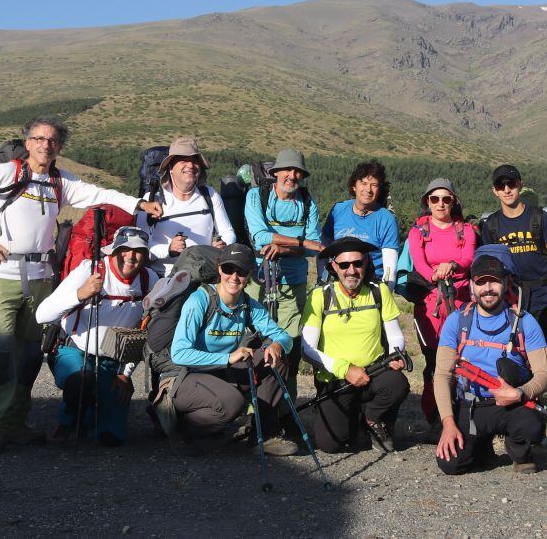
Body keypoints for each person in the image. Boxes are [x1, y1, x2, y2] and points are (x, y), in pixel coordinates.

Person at [0, 116, 163, 455]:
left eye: (53, 140)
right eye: (40, 138)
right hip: (2, 273)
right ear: (28, 142)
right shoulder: (7, 173)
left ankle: (16, 423)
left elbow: (99, 193)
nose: (46, 144)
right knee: (1, 352)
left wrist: (138, 205)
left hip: (41, 275)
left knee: (29, 354)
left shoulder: (61, 182)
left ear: (59, 147)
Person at [169, 243, 299, 456]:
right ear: (219, 269)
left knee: (278, 361)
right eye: (229, 269)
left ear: (249, 274)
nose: (234, 276)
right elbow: (179, 353)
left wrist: (276, 345)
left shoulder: (248, 304)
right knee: (232, 402)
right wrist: (229, 357)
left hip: (222, 373)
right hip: (189, 376)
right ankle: (185, 428)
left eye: (241, 271)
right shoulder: (200, 300)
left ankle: (260, 435)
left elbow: (285, 337)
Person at [35, 226, 155, 446]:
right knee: (82, 379)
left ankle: (90, 411)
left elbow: (144, 332)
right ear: (113, 251)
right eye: (125, 249)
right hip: (74, 351)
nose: (131, 256)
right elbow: (42, 315)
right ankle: (67, 421)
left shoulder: (149, 280)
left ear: (146, 255)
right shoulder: (89, 270)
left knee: (112, 439)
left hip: (114, 361)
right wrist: (80, 294)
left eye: (139, 251)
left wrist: (126, 374)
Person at [434, 252, 547, 474]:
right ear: (471, 286)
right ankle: (481, 448)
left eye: (494, 281)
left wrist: (520, 393)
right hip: (472, 405)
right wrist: (448, 423)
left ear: (505, 283)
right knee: (451, 464)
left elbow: (545, 375)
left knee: (531, 426)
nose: (488, 288)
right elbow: (442, 374)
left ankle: (519, 450)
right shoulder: (456, 321)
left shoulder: (524, 321)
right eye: (481, 282)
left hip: (513, 404)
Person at [478, 163, 547, 444]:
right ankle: (526, 420)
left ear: (520, 185)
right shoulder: (491, 225)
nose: (507, 189)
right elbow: (489, 265)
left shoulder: (540, 219)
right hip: (511, 299)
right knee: (515, 361)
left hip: (543, 296)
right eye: (501, 185)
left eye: (512, 183)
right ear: (495, 191)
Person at [301, 237, 409, 453]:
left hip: (375, 373)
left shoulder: (379, 291)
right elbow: (307, 348)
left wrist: (396, 354)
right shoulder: (319, 296)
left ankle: (373, 420)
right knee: (331, 445)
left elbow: (395, 334)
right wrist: (345, 369)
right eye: (344, 265)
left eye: (358, 263)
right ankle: (352, 420)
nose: (352, 270)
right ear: (334, 266)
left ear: (366, 263)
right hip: (336, 379)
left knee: (397, 384)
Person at [243, 148, 324, 397]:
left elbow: (315, 246)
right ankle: (253, 405)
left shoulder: (308, 203)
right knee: (254, 339)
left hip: (294, 283)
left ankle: (285, 410)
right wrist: (299, 244)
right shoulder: (257, 196)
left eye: (297, 171)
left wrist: (281, 247)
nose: (292, 175)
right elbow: (259, 238)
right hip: (257, 280)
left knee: (290, 344)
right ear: (275, 172)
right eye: (287, 170)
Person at [406, 178, 476, 425]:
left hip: (461, 302)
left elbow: (468, 258)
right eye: (435, 199)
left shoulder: (465, 229)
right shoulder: (419, 231)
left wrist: (452, 266)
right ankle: (433, 415)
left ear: (453, 201)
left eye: (446, 199)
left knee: (461, 356)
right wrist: (433, 274)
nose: (440, 204)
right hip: (430, 304)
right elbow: (418, 261)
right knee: (434, 359)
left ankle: (461, 413)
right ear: (427, 202)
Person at [137, 136, 237, 276]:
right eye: (183, 160)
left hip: (204, 274)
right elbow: (141, 247)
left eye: (195, 161)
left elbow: (228, 232)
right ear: (170, 167)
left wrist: (222, 246)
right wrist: (169, 249)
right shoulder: (151, 200)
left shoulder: (210, 195)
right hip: (163, 277)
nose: (190, 165)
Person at [321, 160, 401, 290]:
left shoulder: (386, 219)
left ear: (379, 190)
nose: (368, 189)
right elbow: (324, 246)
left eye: (374, 185)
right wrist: (322, 278)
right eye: (363, 183)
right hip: (339, 284)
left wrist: (386, 295)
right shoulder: (338, 210)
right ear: (354, 186)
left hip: (371, 285)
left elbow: (389, 268)